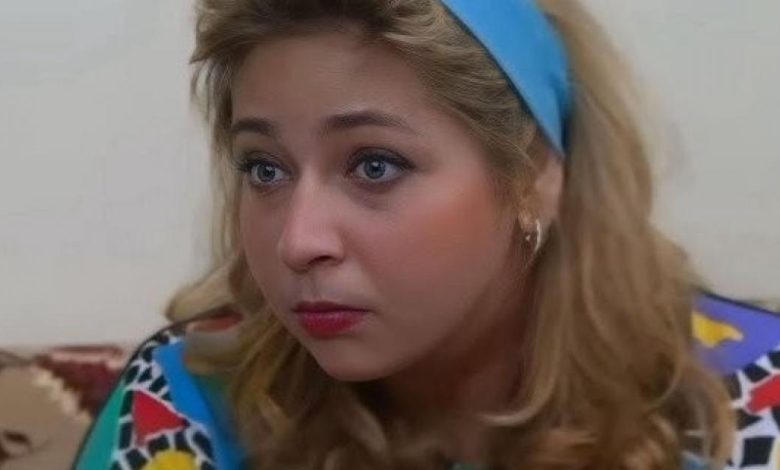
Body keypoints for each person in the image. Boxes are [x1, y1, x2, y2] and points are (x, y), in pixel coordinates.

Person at [74, 0, 780, 468]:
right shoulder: (187, 397)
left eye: (374, 165)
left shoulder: (753, 405)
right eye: (265, 169)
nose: (298, 241)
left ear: (535, 178)